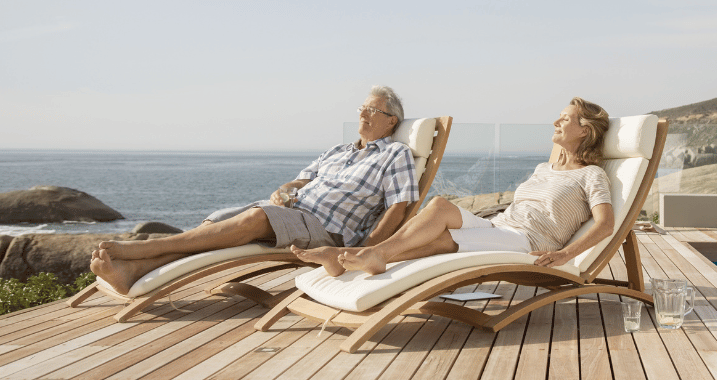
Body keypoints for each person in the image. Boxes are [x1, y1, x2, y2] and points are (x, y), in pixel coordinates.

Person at [91, 85, 419, 295]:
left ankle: (144, 250)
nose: (363, 113)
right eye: (362, 107)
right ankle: (136, 271)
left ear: (391, 121)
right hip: (293, 211)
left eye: (373, 110)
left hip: (326, 229)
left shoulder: (395, 154)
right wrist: (285, 191)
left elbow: (399, 206)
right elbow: (298, 182)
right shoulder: (337, 150)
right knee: (217, 222)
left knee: (254, 220)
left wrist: (370, 250)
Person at [294, 97, 614, 276]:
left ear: (584, 131)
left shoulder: (591, 175)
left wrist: (564, 254)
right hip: (499, 226)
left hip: (530, 240)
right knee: (438, 209)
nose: (556, 122)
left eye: (565, 119)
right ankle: (357, 256)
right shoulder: (545, 167)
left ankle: (355, 255)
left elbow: (606, 224)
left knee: (444, 234)